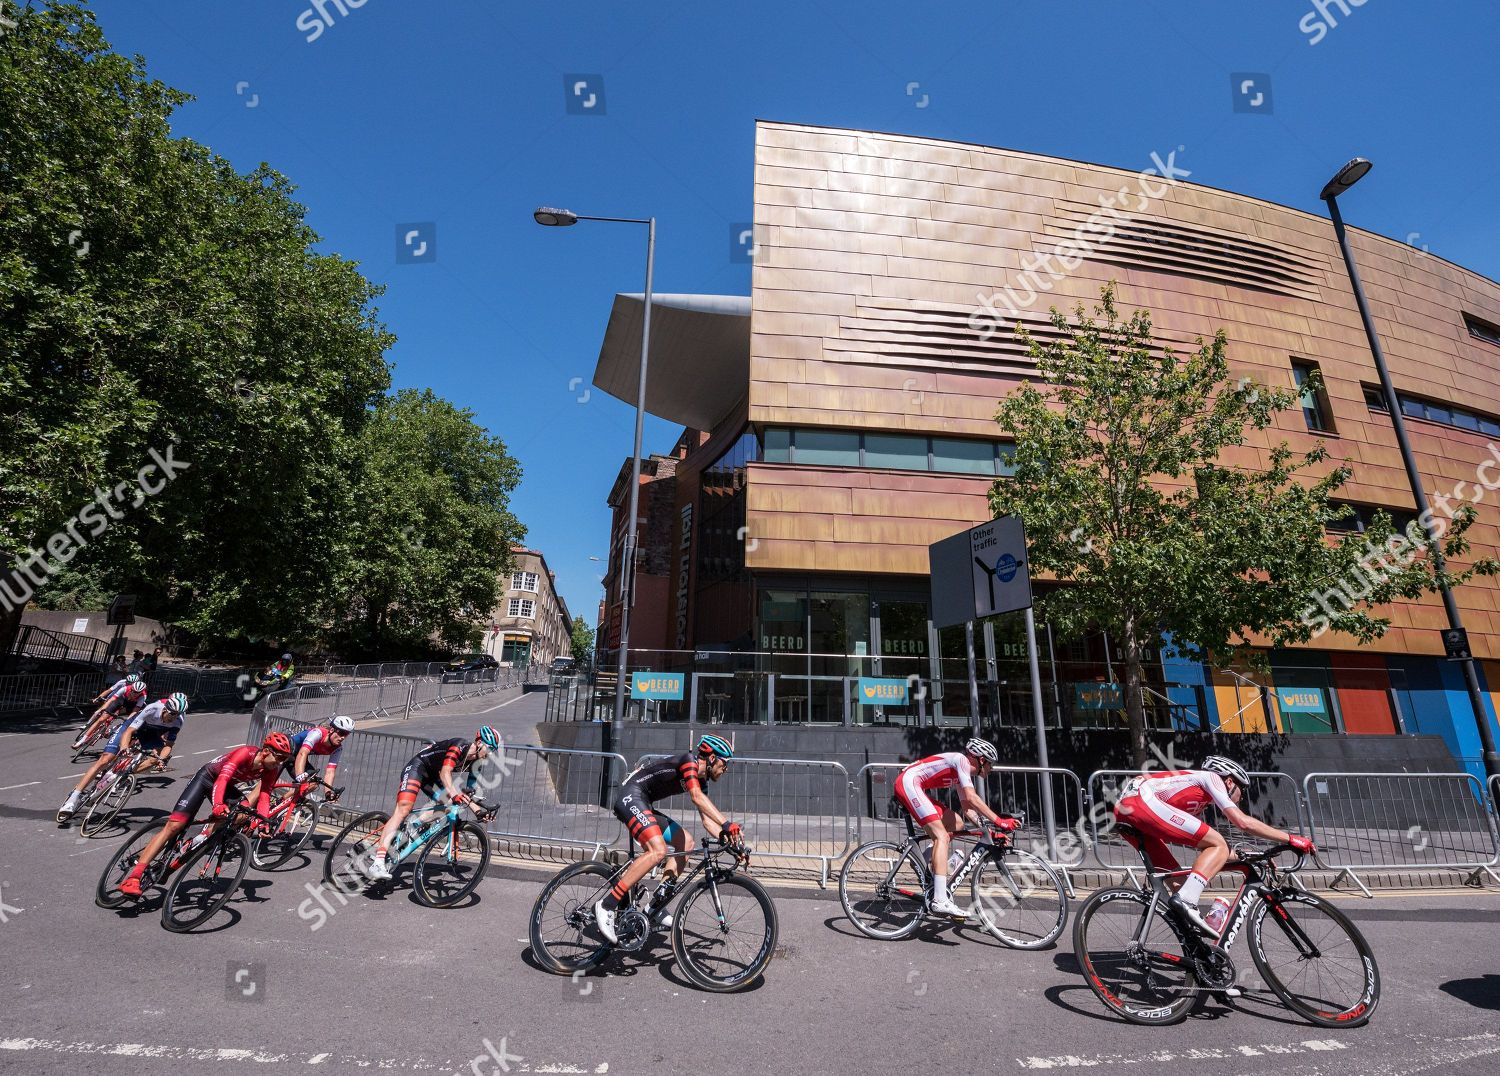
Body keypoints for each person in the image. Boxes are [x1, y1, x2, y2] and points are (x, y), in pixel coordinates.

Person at [1113, 755, 1315, 935]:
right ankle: (1187, 901)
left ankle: (1194, 951)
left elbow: (1211, 850)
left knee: (1178, 885)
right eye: (1241, 790)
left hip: (1127, 812)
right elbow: (1242, 823)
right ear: (1229, 781)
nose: (1242, 797)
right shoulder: (1212, 779)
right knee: (1204, 865)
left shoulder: (1196, 799)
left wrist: (1256, 855)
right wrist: (1290, 838)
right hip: (1141, 802)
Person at [594, 734, 741, 944]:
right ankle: (607, 904)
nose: (726, 768)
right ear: (711, 758)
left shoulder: (702, 781)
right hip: (631, 796)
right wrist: (727, 824)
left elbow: (708, 822)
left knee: (686, 842)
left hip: (644, 803)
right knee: (658, 850)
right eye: (724, 763)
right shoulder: (688, 762)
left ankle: (655, 907)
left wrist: (731, 841)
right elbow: (696, 797)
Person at [114, 733, 290, 897]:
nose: (280, 762)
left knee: (243, 813)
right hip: (206, 778)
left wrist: (264, 822)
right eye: (279, 757)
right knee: (175, 826)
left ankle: (204, 837)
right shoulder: (245, 753)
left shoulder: (271, 770)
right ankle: (134, 877)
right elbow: (222, 779)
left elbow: (265, 796)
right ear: (266, 751)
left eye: (284, 759)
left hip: (226, 785)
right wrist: (218, 805)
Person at [893, 737, 1016, 918]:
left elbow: (968, 809)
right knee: (941, 837)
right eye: (991, 764)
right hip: (908, 784)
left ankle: (923, 861)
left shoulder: (961, 772)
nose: (992, 769)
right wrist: (1000, 821)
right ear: (982, 760)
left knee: (957, 823)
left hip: (913, 785)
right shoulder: (961, 761)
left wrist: (988, 832)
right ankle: (940, 900)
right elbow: (973, 799)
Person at [365, 726, 499, 881]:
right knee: (403, 809)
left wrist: (478, 811)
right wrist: (455, 795)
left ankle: (413, 824)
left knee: (450, 807)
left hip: (432, 777)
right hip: (418, 767)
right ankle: (378, 862)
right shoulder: (459, 746)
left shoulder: (477, 763)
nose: (490, 755)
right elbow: (445, 773)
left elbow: (467, 793)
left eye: (493, 751)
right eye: (489, 749)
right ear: (479, 742)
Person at [58, 692, 188, 823]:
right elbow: (129, 731)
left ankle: (123, 774)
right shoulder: (153, 708)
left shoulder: (178, 721)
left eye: (178, 715)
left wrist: (162, 760)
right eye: (172, 714)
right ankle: (73, 798)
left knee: (155, 760)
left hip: (153, 732)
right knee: (106, 759)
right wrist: (124, 747)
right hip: (134, 727)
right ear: (165, 709)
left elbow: (169, 744)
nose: (174, 718)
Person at [74, 674, 148, 749]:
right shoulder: (125, 688)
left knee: (129, 722)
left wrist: (128, 719)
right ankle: (82, 740)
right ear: (131, 688)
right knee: (102, 719)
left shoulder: (143, 696)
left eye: (138, 693)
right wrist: (101, 709)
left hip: (132, 705)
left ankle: (113, 730)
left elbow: (135, 710)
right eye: (133, 691)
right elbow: (112, 699)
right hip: (121, 700)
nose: (135, 694)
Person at [285, 715, 353, 795]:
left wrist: (328, 794)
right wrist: (300, 774)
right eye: (341, 733)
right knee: (270, 779)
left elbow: (330, 772)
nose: (343, 737)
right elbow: (303, 752)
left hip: (297, 755)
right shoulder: (318, 733)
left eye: (346, 734)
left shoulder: (337, 749)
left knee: (313, 784)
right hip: (285, 750)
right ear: (331, 730)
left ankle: (282, 802)